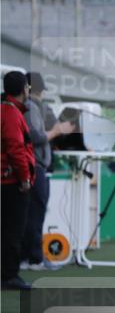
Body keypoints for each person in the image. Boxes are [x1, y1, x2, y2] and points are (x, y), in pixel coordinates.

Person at [22, 72, 72, 270]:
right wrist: (58, 132)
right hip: (35, 166)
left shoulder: (31, 107)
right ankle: (33, 259)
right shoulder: (31, 107)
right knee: (35, 214)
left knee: (31, 214)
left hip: (34, 166)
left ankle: (29, 257)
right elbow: (36, 137)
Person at [1, 71, 37, 290]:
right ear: (24, 89)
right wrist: (24, 178)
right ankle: (9, 276)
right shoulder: (12, 114)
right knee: (13, 231)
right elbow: (16, 149)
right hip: (11, 183)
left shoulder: (6, 110)